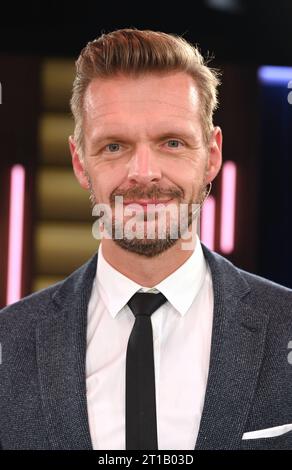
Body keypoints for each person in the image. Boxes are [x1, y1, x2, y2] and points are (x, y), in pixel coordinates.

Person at [0, 29, 292, 451]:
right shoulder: (10, 343)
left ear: (211, 155)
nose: (144, 172)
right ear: (80, 163)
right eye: (115, 146)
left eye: (171, 143)